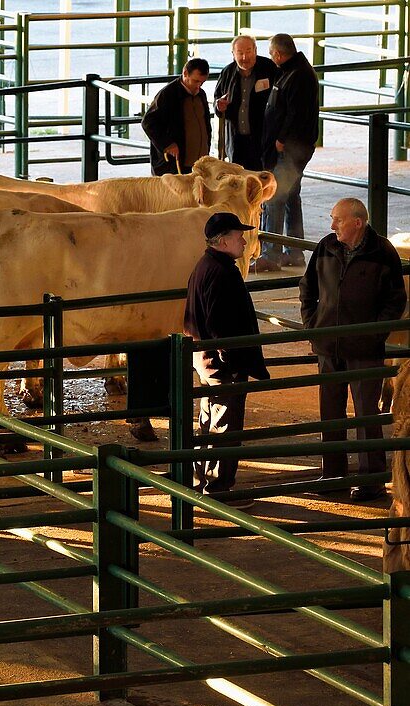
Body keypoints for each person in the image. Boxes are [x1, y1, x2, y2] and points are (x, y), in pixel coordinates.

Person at [299, 198, 407, 501]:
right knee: (330, 413)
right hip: (327, 344)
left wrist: (372, 334)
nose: (332, 225)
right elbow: (307, 287)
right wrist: (313, 325)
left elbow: (394, 301)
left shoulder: (382, 252)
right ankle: (332, 475)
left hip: (364, 348)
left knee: (365, 413)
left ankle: (371, 479)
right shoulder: (325, 247)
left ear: (357, 222)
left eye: (338, 220)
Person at [184, 213, 271, 508]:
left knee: (209, 420)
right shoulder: (222, 273)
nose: (244, 241)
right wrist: (231, 359)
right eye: (238, 236)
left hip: (204, 359)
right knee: (225, 424)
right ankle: (219, 489)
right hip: (222, 364)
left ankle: (202, 481)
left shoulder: (205, 266)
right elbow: (219, 321)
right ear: (223, 241)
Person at [257, 33, 320, 272]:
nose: (271, 57)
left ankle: (270, 254)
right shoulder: (294, 71)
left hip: (293, 149)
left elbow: (296, 113)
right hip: (295, 147)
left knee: (274, 197)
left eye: (271, 53)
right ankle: (294, 251)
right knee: (291, 197)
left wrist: (282, 139)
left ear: (279, 54)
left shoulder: (298, 75)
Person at [213, 35, 279, 172]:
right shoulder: (227, 73)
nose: (245, 57)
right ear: (233, 54)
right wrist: (219, 106)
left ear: (255, 50)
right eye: (240, 53)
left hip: (262, 139)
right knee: (237, 181)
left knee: (262, 180)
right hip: (236, 141)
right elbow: (217, 101)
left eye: (248, 51)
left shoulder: (269, 69)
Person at [141, 58, 212, 176]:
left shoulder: (201, 94)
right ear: (185, 73)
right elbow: (148, 122)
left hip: (198, 161)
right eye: (195, 81)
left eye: (202, 82)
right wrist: (167, 144)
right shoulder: (167, 94)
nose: (198, 86)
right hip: (175, 164)